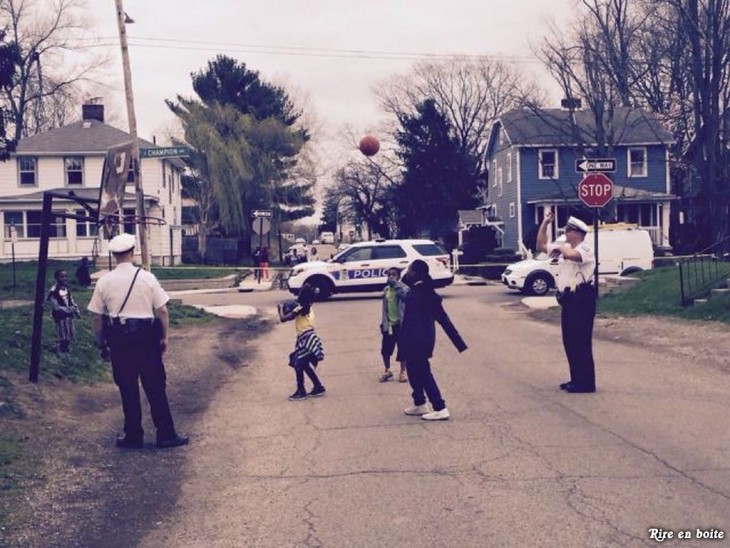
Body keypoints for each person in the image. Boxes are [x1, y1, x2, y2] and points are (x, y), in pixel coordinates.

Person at [88, 233, 189, 449]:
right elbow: (162, 311)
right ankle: (165, 434)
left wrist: (101, 342)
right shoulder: (147, 278)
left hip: (119, 340)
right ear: (132, 252)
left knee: (127, 387)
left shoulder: (104, 282)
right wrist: (164, 338)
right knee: (155, 387)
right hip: (146, 339)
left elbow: (97, 316)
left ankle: (133, 435)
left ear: (114, 255)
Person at [399, 259, 467, 421]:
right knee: (413, 370)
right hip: (413, 338)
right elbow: (444, 319)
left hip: (419, 340)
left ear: (415, 273)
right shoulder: (420, 289)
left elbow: (443, 319)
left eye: (409, 270)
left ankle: (439, 407)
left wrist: (459, 342)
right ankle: (420, 403)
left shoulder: (423, 292)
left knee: (423, 371)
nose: (407, 273)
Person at [536, 212, 597, 393]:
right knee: (569, 340)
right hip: (569, 300)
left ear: (576, 233)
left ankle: (586, 382)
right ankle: (576, 378)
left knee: (581, 341)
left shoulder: (585, 250)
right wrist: (545, 223)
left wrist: (562, 247)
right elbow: (541, 245)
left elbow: (571, 254)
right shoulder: (566, 248)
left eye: (568, 230)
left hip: (582, 299)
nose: (565, 232)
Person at [278, 283, 326, 401]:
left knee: (299, 364)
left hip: (306, 340)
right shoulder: (310, 309)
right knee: (303, 364)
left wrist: (280, 309)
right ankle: (318, 387)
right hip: (310, 339)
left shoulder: (300, 309)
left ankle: (301, 391)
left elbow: (283, 319)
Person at [378, 267, 409, 383]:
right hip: (389, 325)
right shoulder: (386, 290)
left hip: (400, 325)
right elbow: (385, 309)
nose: (391, 277)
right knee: (385, 350)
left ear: (398, 277)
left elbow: (404, 296)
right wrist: (384, 324)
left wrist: (396, 284)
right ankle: (387, 370)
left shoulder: (403, 288)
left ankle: (403, 371)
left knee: (402, 349)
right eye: (389, 275)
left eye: (394, 275)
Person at [46, 269, 80, 353]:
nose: (64, 278)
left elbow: (71, 299)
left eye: (65, 276)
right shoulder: (54, 291)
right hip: (60, 315)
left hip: (68, 315)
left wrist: (76, 309)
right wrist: (69, 310)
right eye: (62, 277)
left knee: (69, 330)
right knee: (62, 332)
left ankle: (67, 347)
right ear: (56, 278)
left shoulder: (66, 288)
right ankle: (61, 348)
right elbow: (56, 306)